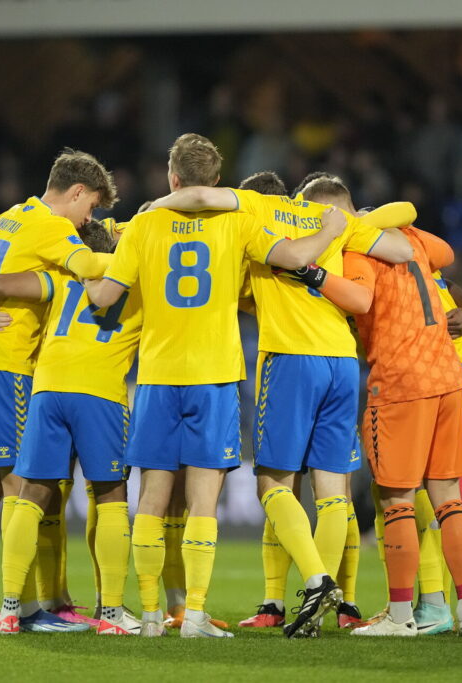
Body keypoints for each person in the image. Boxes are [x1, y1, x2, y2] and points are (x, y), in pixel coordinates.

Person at [84, 133, 347, 638]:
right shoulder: (238, 222)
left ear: (173, 178)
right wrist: (329, 232)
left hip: (158, 377)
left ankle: (151, 617)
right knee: (204, 504)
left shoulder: (143, 224)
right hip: (215, 377)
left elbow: (104, 297)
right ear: (218, 182)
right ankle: (197, 615)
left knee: (152, 502)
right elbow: (294, 258)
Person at [148, 171, 415, 636]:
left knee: (272, 482)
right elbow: (403, 250)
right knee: (334, 493)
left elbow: (197, 194)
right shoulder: (326, 218)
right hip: (342, 363)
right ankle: (317, 610)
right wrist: (351, 223)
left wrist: (154, 206)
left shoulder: (257, 210)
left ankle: (316, 581)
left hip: (291, 360)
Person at [0, 150, 117, 632]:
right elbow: (90, 264)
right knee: (24, 491)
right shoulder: (55, 230)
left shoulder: (9, 218)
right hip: (4, 365)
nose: (90, 218)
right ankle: (29, 608)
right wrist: (135, 253)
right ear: (76, 193)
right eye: (91, 207)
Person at [307, 182, 462, 638]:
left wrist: (317, 275)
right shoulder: (406, 237)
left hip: (403, 381)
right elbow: (444, 252)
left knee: (396, 501)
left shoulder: (356, 251)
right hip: (447, 372)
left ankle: (401, 616)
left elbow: (361, 299)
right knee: (449, 497)